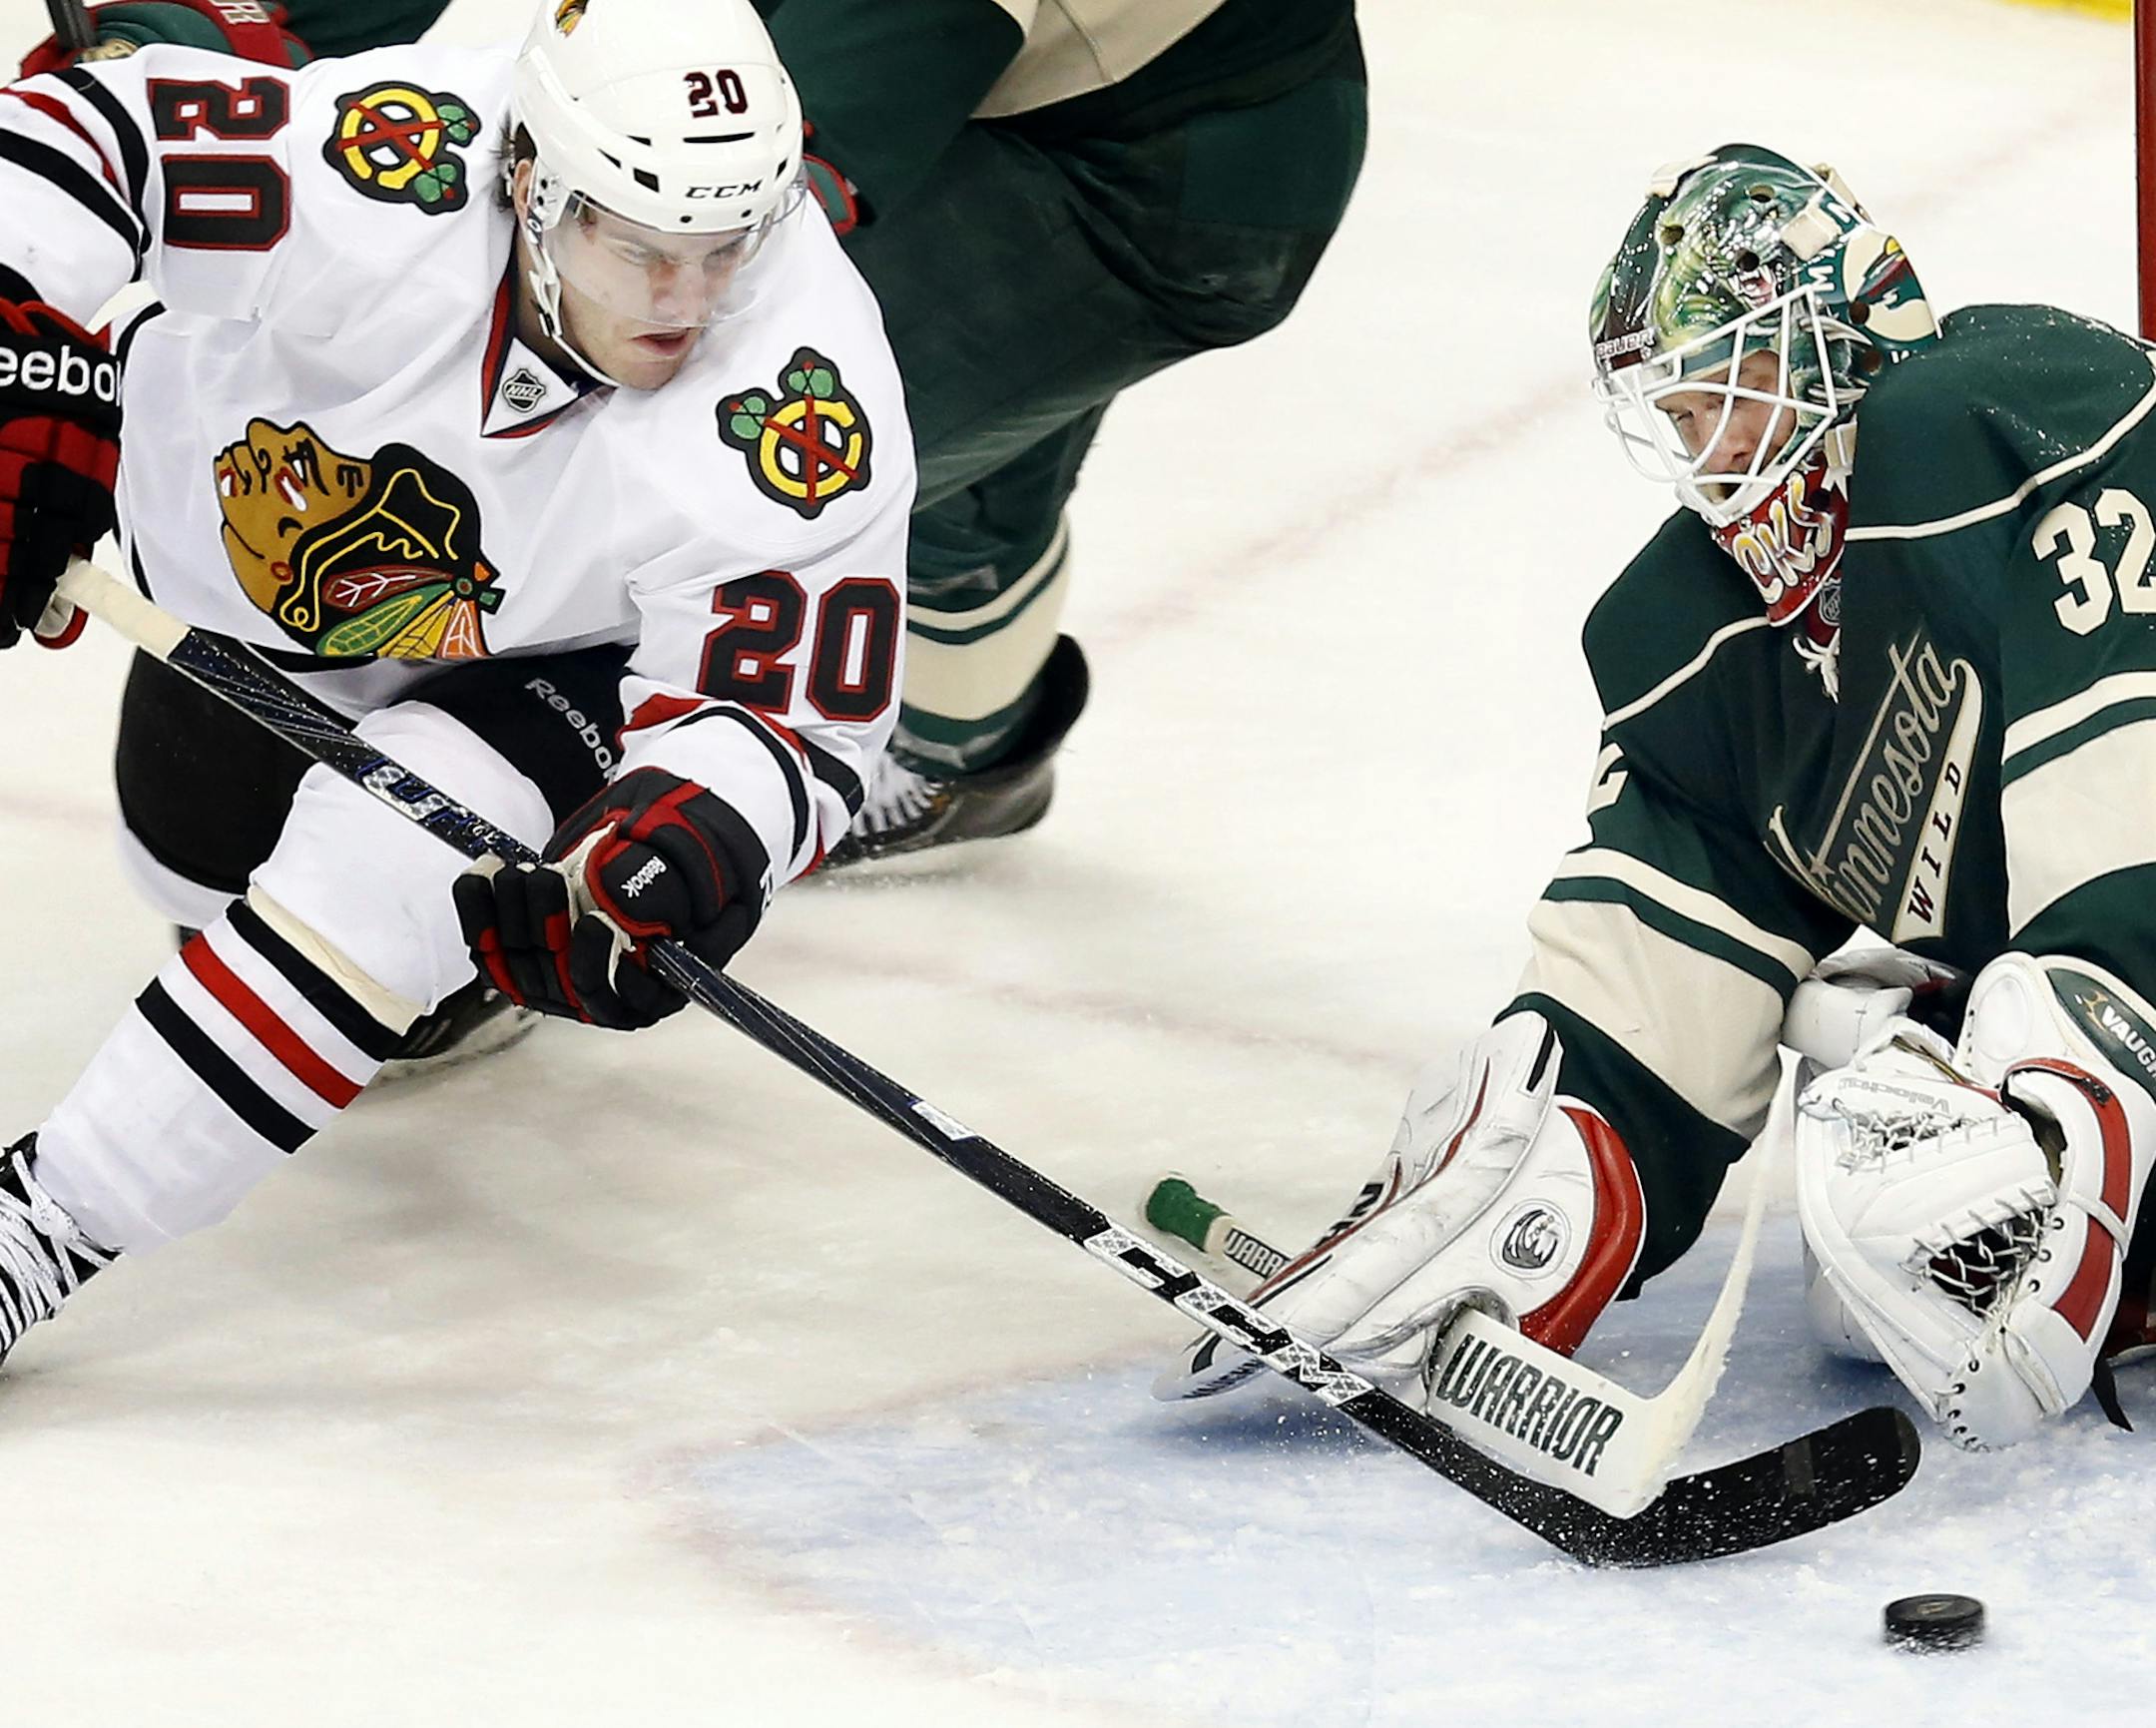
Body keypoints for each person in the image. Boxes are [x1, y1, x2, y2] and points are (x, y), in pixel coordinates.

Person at [1160, 145, 2156, 1450]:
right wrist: (1555, 1163)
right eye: (1682, 421)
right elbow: (1653, 978)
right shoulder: (1701, 644)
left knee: (2016, 1079)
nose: (1715, 466)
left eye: (1735, 396)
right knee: (1881, 1180)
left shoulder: (2008, 418)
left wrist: (2084, 1062)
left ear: (1842, 349)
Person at [0, 0, 911, 1356]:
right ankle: (399, 979)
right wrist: (15, 342)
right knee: (189, 865)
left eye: (730, 245)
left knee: (380, 868)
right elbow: (86, 130)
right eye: (645, 245)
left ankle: (40, 1230)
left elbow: (779, 718)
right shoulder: (402, 156)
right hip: (218, 574)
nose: (689, 299)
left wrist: (687, 837)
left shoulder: (799, 397)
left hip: (549, 668)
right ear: (533, 183)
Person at [20, 0, 1368, 869]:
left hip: (1151, 167)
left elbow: (711, 272)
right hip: (974, 59)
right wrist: (160, 66)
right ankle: (965, 708)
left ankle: (506, 853)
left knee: (711, 450)